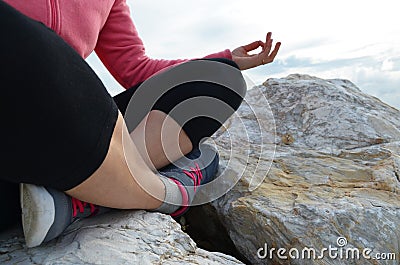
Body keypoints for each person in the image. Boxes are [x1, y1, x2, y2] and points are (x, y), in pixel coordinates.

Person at [0, 0, 281, 248]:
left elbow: (135, 67)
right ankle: (155, 192)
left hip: (74, 125)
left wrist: (225, 60)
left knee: (218, 79)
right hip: (14, 129)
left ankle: (84, 196)